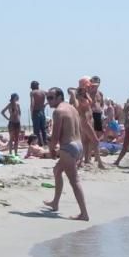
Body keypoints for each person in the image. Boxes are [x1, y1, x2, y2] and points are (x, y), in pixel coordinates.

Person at [43, 87, 89, 221]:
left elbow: (55, 136)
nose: (48, 101)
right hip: (78, 145)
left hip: (68, 147)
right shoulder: (72, 108)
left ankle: (84, 213)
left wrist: (52, 150)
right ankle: (55, 203)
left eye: (51, 98)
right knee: (57, 170)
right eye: (47, 98)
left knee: (75, 181)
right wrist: (81, 153)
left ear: (59, 97)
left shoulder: (58, 111)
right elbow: (79, 130)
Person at [67, 77, 104, 169]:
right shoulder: (77, 96)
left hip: (89, 120)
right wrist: (75, 92)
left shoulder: (86, 94)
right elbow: (74, 105)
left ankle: (82, 161)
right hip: (84, 121)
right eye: (88, 86)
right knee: (96, 141)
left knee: (86, 141)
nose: (89, 87)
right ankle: (99, 163)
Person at [29, 81, 47, 145]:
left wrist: (31, 113)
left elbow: (32, 103)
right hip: (42, 111)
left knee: (36, 130)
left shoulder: (32, 92)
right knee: (43, 129)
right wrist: (46, 104)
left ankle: (38, 143)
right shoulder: (43, 92)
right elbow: (51, 96)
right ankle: (45, 142)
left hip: (36, 112)